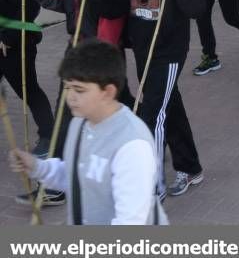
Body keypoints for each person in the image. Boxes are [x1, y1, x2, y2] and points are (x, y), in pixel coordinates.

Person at [82, 0, 205, 199]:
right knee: (169, 107)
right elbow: (113, 8)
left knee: (153, 114)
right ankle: (191, 167)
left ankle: (152, 185)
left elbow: (197, 9)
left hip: (169, 52)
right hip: (142, 50)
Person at [17, 0, 131, 202]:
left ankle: (146, 147)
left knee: (119, 108)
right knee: (66, 112)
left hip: (102, 51)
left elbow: (115, 12)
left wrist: (101, 50)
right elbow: (61, 4)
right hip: (76, 48)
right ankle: (55, 183)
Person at [8, 39, 167, 224]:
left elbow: (130, 223)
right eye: (68, 87)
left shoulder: (132, 144)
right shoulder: (80, 123)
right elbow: (79, 176)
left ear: (107, 92)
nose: (70, 97)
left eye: (79, 90)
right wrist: (37, 167)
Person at [1, 0, 54, 160]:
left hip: (15, 43)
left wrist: (7, 37)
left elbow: (30, 7)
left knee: (29, 90)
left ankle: (48, 136)